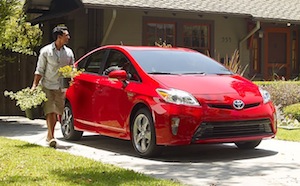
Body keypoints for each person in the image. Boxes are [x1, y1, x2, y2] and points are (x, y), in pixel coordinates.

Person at [31, 25, 75, 148]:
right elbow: (40, 69)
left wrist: (72, 77)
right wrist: (34, 85)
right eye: (66, 35)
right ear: (59, 37)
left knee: (57, 112)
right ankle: (51, 136)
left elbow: (72, 68)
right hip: (48, 85)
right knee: (50, 110)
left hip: (61, 86)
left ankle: (49, 135)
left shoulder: (69, 52)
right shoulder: (46, 51)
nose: (68, 37)